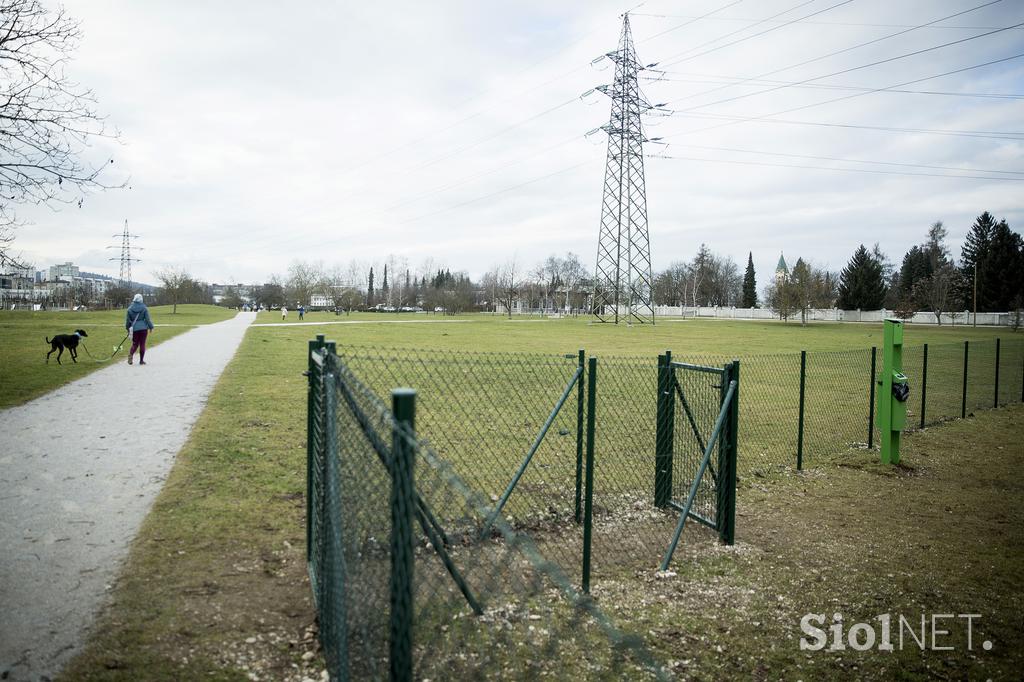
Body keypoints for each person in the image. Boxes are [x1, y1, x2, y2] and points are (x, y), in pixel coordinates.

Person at [125, 293, 154, 366]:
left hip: (134, 329)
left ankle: (131, 355)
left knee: (135, 344)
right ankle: (141, 361)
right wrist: (151, 327)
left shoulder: (129, 309)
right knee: (142, 344)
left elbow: (127, 321)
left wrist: (128, 329)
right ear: (141, 299)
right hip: (143, 328)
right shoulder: (144, 308)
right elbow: (147, 319)